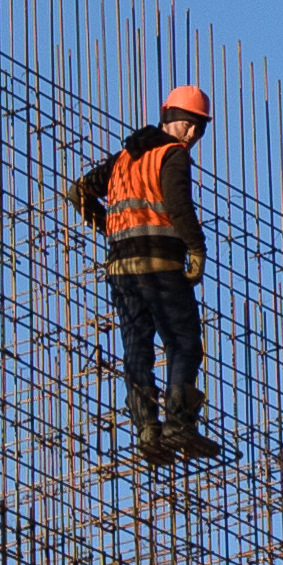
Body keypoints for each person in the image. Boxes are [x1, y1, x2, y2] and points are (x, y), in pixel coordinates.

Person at [66, 84, 218, 462]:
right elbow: (178, 205)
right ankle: (178, 424)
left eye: (200, 127)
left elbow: (78, 191)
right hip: (161, 265)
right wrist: (196, 249)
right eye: (189, 124)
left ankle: (147, 430)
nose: (194, 134)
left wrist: (112, 228)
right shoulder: (173, 155)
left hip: (121, 268)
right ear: (170, 120)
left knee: (137, 347)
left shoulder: (124, 157)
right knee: (184, 343)